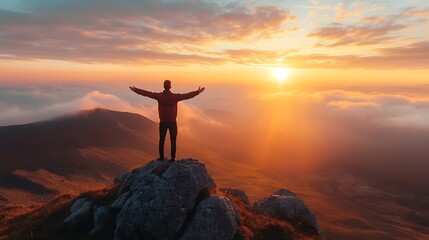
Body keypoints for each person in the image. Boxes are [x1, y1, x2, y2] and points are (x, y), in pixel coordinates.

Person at [129, 80, 205, 162]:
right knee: (173, 141)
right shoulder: (175, 97)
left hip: (163, 122)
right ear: (170, 86)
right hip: (172, 122)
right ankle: (173, 158)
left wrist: (135, 90)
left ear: (163, 86)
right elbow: (187, 96)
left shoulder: (159, 96)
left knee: (162, 140)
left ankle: (161, 157)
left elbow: (147, 94)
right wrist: (198, 92)